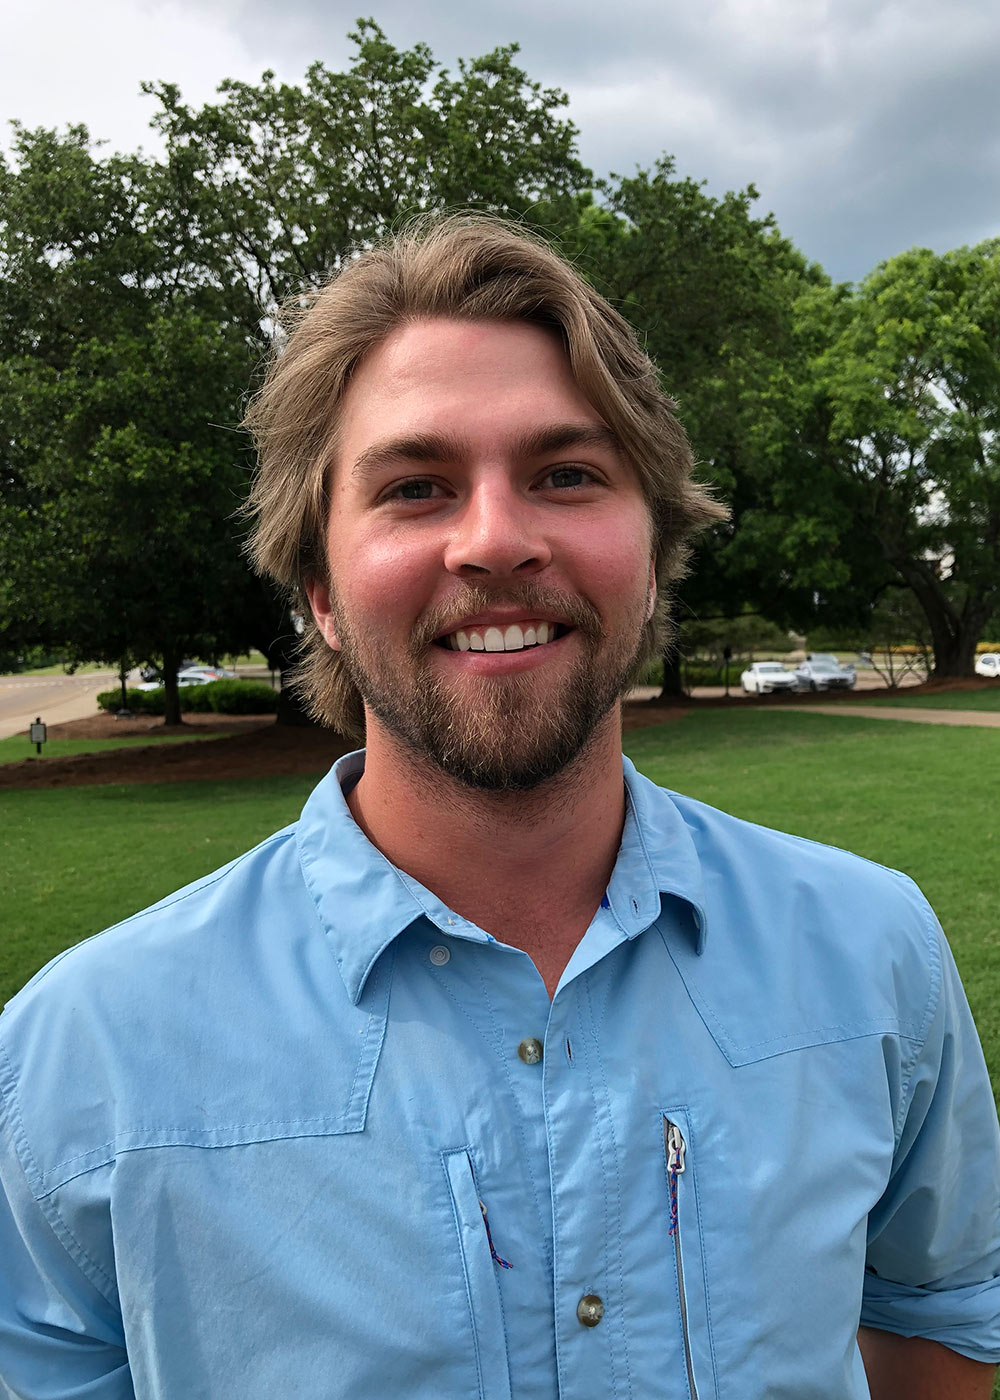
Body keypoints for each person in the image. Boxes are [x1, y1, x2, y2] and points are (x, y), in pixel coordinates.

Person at [1, 216, 998, 1400]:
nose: (495, 540)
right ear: (318, 586)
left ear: (654, 543)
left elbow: (937, 1320)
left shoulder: (871, 948)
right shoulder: (81, 1052)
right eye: (415, 487)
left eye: (565, 474)